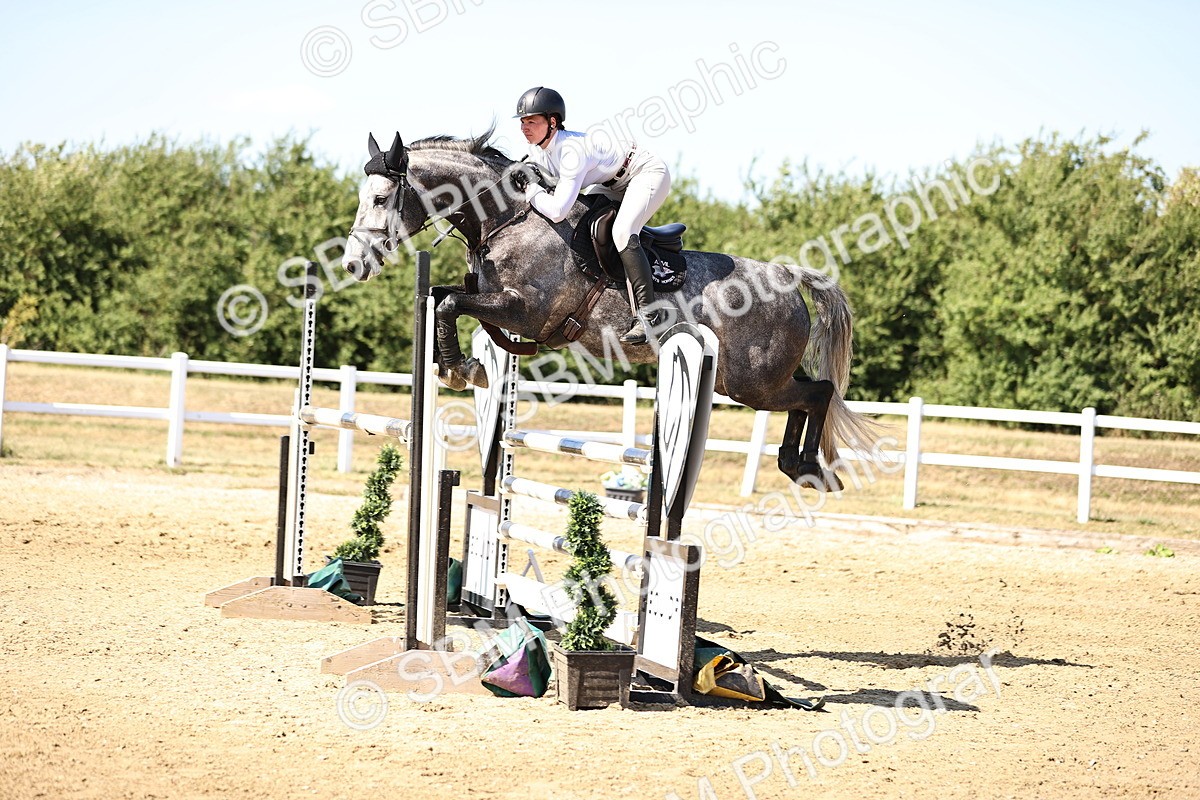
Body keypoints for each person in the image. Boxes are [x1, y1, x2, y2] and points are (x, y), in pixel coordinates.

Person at [513, 86, 671, 344]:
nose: (524, 127)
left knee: (622, 232)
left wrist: (531, 188)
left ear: (553, 122)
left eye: (532, 121)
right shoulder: (539, 149)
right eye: (522, 121)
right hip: (612, 183)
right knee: (585, 220)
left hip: (645, 173)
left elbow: (557, 211)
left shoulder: (570, 152)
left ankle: (648, 316)